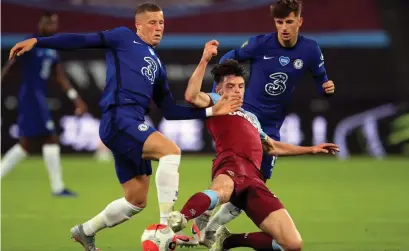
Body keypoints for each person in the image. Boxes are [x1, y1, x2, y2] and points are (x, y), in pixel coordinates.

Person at [8, 3, 242, 250]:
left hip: (132, 124)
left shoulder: (158, 66)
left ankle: (85, 231)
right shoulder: (122, 38)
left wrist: (209, 112)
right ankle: (166, 228)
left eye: (161, 23)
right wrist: (39, 41)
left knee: (136, 200)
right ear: (138, 25)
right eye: (152, 22)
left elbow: (171, 111)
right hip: (118, 117)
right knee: (170, 151)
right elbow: (83, 40)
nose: (158, 28)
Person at [166, 41, 339, 251]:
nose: (237, 91)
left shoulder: (251, 118)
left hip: (254, 180)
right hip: (230, 165)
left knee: (292, 244)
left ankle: (227, 241)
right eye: (231, 87)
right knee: (221, 190)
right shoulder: (217, 103)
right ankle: (180, 219)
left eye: (241, 86)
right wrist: (204, 59)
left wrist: (311, 149)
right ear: (219, 89)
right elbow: (191, 96)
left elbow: (272, 147)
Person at [192, 0, 337, 244]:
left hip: (270, 126)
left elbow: (322, 79)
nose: (284, 28)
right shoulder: (260, 43)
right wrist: (219, 96)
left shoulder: (310, 50)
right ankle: (205, 220)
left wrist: (326, 88)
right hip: (245, 116)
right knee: (236, 176)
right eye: (279, 22)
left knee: (254, 185)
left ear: (299, 21)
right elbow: (230, 57)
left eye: (289, 21)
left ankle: (211, 228)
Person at [1, 11, 87, 196]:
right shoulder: (29, 43)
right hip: (30, 97)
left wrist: (75, 98)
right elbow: (11, 66)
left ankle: (58, 187)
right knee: (48, 138)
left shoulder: (52, 46)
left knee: (29, 143)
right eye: (49, 23)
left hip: (38, 97)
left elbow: (59, 76)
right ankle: (58, 188)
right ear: (41, 23)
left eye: (55, 23)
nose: (52, 27)